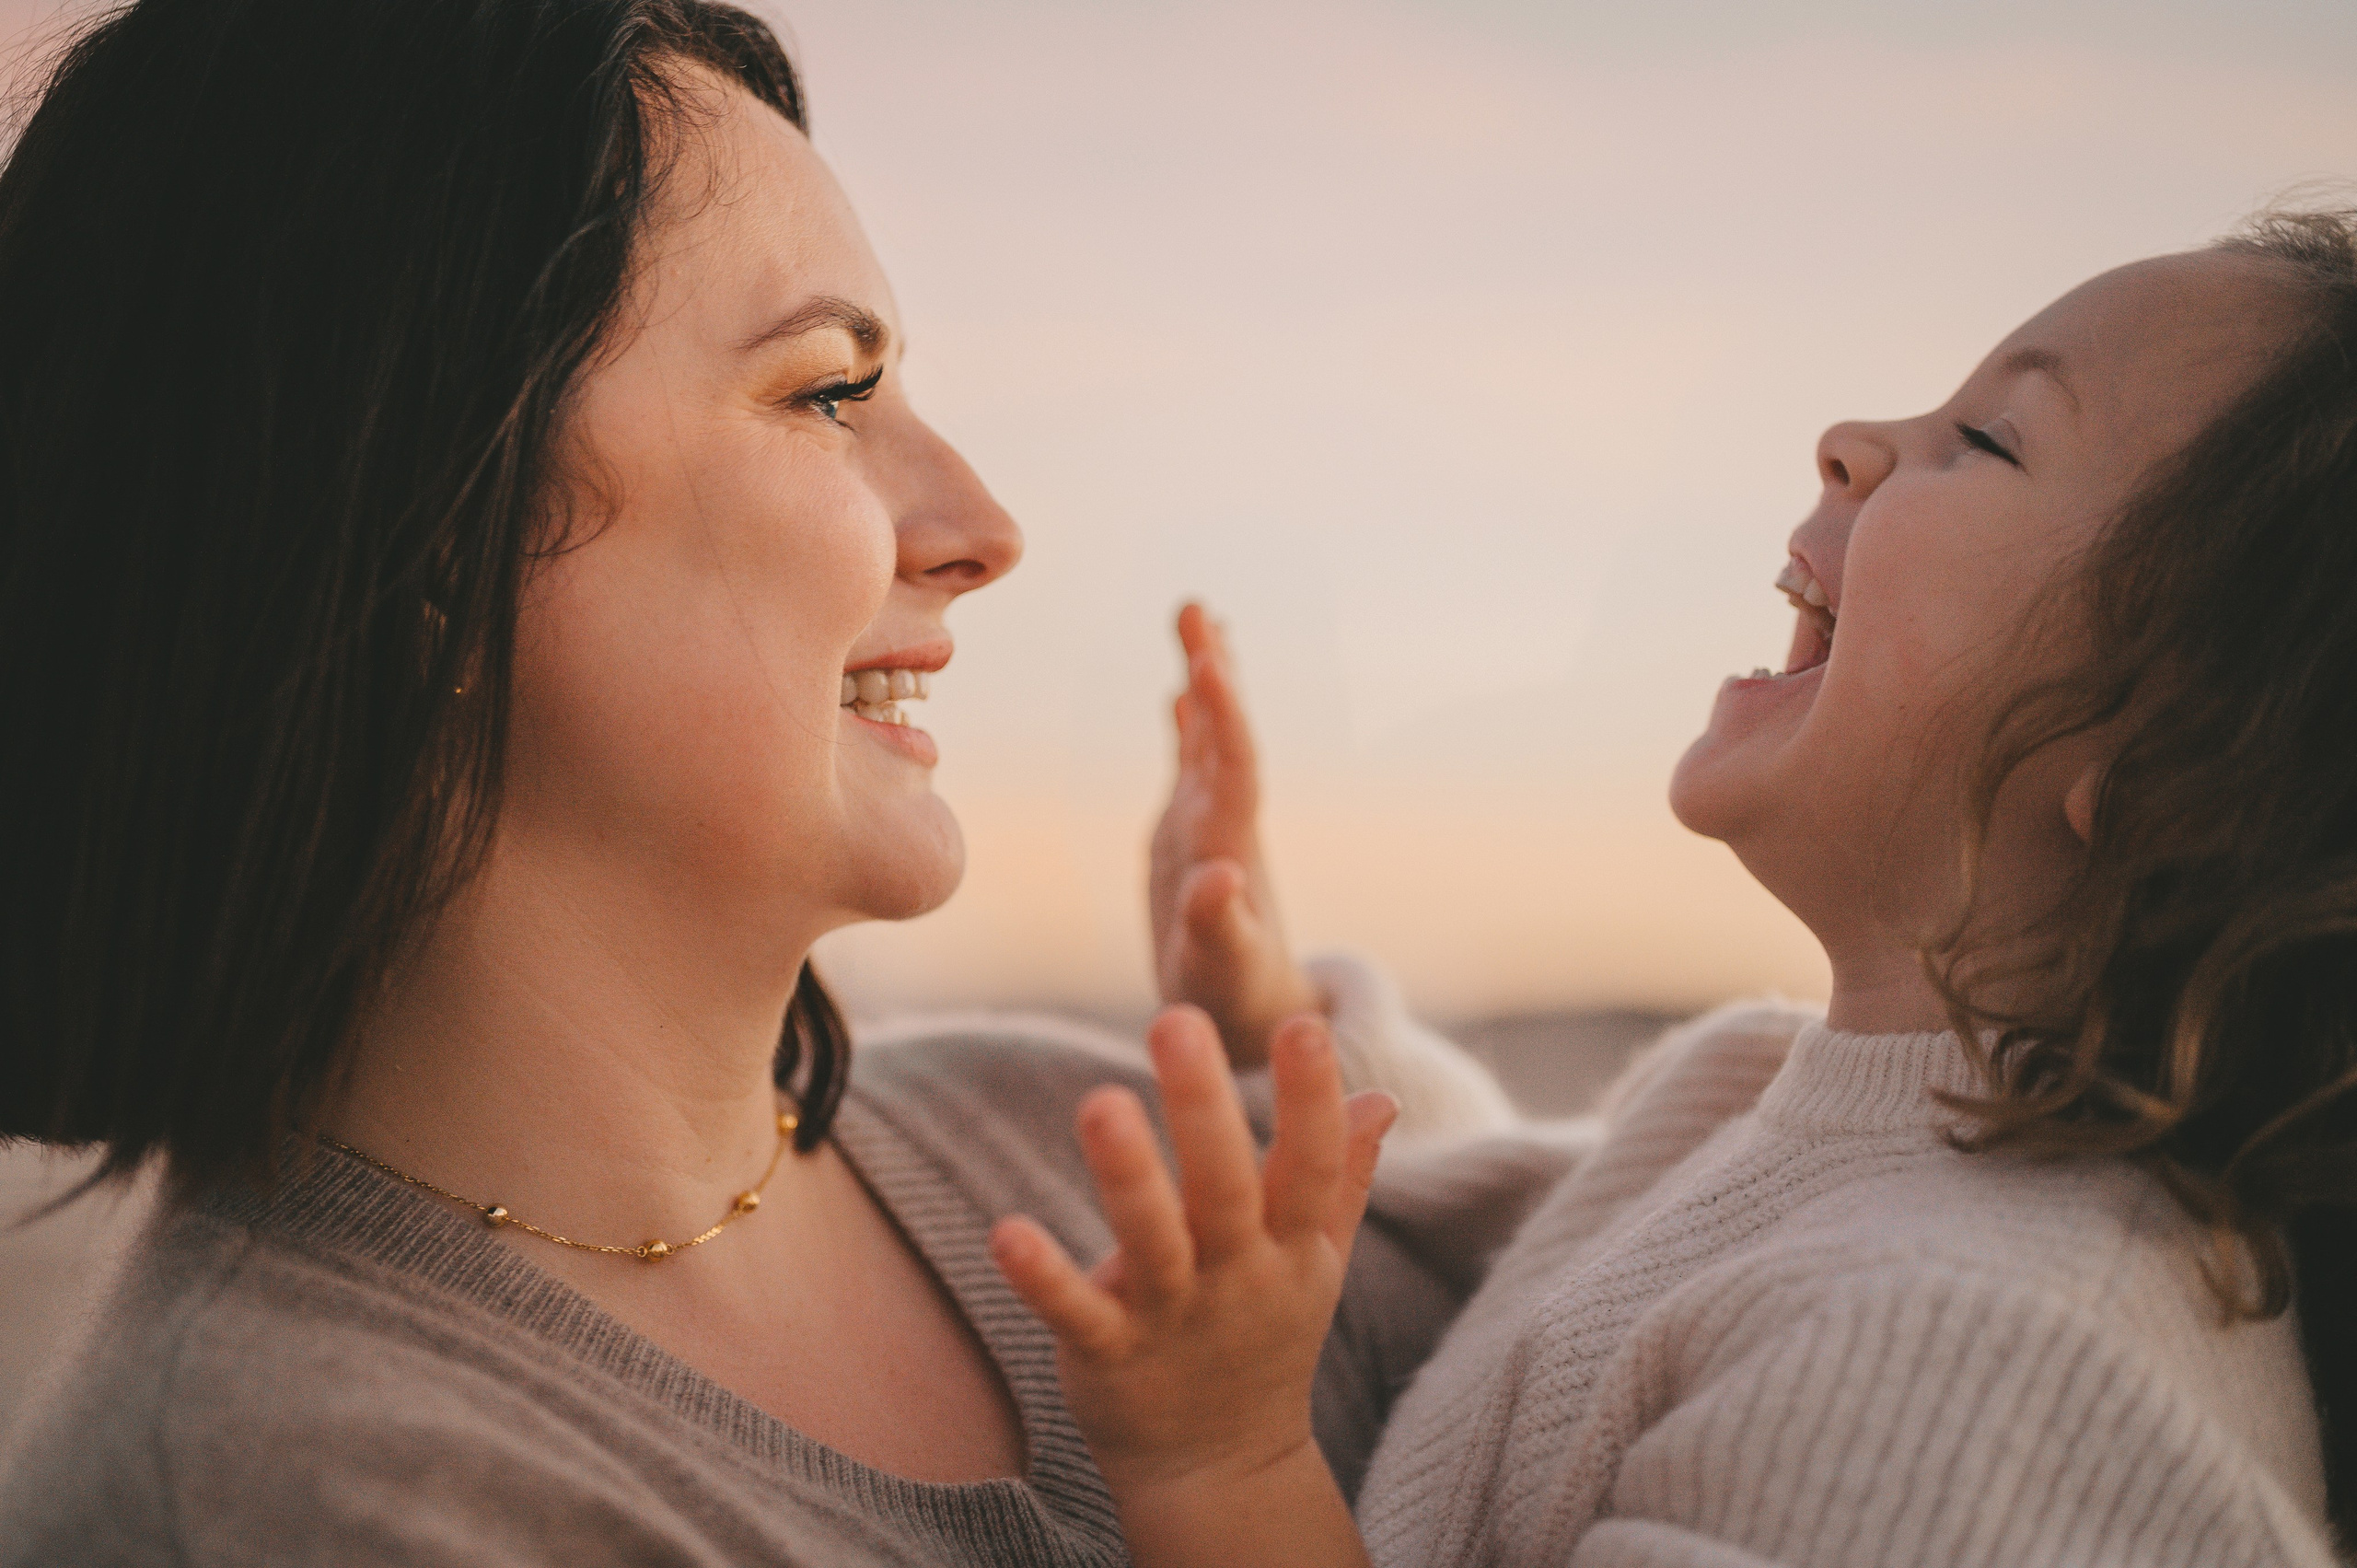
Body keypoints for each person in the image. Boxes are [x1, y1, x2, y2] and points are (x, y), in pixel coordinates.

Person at [0, 4, 1509, 1562]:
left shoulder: (1067, 1145)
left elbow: (1654, 1282)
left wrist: (1286, 1055)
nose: (983, 527)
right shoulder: (299, 1504)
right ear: (431, 535)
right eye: (826, 395)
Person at [997, 215, 2357, 1566]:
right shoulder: (1761, 1086)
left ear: (2171, 764)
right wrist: (1276, 1020)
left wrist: (1221, 1465)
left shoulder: (1977, 1364)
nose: (1853, 436)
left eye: (1993, 439)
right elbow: (1519, 1282)